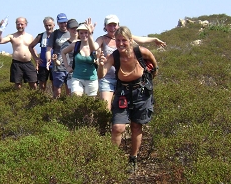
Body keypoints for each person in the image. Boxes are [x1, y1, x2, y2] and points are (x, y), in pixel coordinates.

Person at [97, 26, 158, 173]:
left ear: (130, 40)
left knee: (137, 126)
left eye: (124, 40)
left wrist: (151, 75)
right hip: (123, 92)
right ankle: (111, 159)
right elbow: (101, 74)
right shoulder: (114, 56)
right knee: (118, 127)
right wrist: (100, 65)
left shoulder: (140, 52)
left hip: (141, 92)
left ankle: (133, 158)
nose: (120, 43)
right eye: (118, 40)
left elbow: (153, 63)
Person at [94, 15, 166, 110]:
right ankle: (108, 124)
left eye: (114, 25)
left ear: (118, 25)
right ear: (105, 27)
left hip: (124, 78)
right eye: (109, 25)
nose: (112, 28)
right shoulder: (102, 39)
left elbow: (142, 40)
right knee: (105, 108)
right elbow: (93, 46)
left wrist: (154, 39)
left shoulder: (124, 37)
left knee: (124, 108)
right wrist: (89, 35)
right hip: (107, 78)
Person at [0, 17, 37, 90]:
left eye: (22, 24)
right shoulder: (11, 36)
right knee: (18, 85)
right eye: (18, 24)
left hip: (28, 63)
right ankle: (18, 99)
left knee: (33, 83)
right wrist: (1, 30)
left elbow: (33, 49)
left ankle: (33, 100)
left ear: (26, 24)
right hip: (16, 63)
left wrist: (37, 61)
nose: (20, 26)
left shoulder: (30, 36)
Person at [61, 22, 100, 96]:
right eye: (81, 33)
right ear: (78, 34)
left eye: (86, 32)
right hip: (77, 78)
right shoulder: (75, 45)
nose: (84, 35)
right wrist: (67, 66)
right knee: (76, 100)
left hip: (91, 79)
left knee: (89, 104)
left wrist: (98, 61)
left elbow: (97, 55)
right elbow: (63, 52)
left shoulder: (95, 46)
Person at [46, 13, 70, 98]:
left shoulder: (73, 32)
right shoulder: (54, 34)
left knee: (69, 90)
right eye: (61, 23)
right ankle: (56, 108)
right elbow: (48, 49)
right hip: (58, 66)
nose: (63, 25)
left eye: (65, 22)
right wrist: (49, 59)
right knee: (57, 91)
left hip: (70, 66)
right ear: (58, 23)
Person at [29, 16, 55, 92]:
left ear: (54, 25)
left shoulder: (57, 35)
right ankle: (41, 101)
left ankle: (55, 101)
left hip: (55, 64)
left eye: (50, 25)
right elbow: (30, 46)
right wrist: (36, 58)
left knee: (55, 84)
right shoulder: (40, 36)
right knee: (42, 85)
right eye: (46, 25)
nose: (48, 27)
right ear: (44, 25)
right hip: (43, 64)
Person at [60, 19, 79, 92]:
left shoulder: (83, 41)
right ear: (68, 29)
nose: (75, 30)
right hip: (72, 74)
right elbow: (62, 57)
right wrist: (67, 67)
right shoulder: (65, 44)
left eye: (76, 28)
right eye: (72, 28)